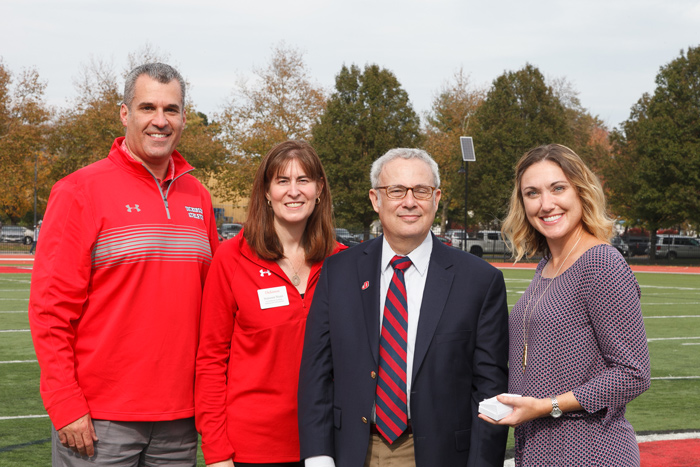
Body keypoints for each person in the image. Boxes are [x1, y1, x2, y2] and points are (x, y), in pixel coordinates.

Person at [28, 63, 219, 465]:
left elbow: (215, 304)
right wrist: (66, 403)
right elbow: (50, 311)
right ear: (124, 113)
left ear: (184, 117)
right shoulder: (79, 191)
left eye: (172, 109)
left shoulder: (198, 196)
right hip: (98, 420)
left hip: (180, 420)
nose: (160, 121)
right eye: (148, 107)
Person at [298, 148, 509, 467]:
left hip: (438, 455)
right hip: (352, 451)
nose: (409, 201)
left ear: (436, 198)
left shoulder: (479, 280)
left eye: (421, 190)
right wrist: (318, 457)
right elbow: (316, 374)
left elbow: (489, 390)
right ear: (375, 199)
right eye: (396, 190)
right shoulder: (338, 273)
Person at [482, 144, 651, 466]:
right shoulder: (546, 264)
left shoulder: (600, 262)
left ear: (581, 192)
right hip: (537, 451)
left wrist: (548, 406)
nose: (546, 204)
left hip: (590, 452)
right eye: (532, 193)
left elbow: (633, 373)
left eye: (558, 188)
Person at [195, 140, 346, 467]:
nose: (294, 191)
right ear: (266, 191)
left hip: (330, 445)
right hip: (254, 449)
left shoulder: (344, 263)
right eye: (282, 181)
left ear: (319, 188)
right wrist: (217, 452)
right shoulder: (231, 259)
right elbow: (210, 361)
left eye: (303, 180)